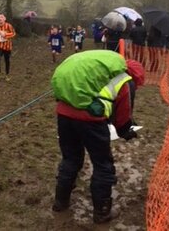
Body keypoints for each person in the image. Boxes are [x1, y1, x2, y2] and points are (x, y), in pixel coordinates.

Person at [50, 50, 145, 224]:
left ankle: (60, 202)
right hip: (91, 121)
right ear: (136, 77)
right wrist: (126, 132)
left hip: (64, 113)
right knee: (103, 165)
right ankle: (101, 212)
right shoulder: (125, 81)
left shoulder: (100, 72)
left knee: (70, 159)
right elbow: (123, 118)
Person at [0, 13, 16, 82]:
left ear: (4, 19)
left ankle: (7, 74)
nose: (0, 18)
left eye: (2, 17)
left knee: (7, 60)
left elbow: (14, 33)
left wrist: (5, 34)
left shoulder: (8, 26)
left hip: (7, 46)